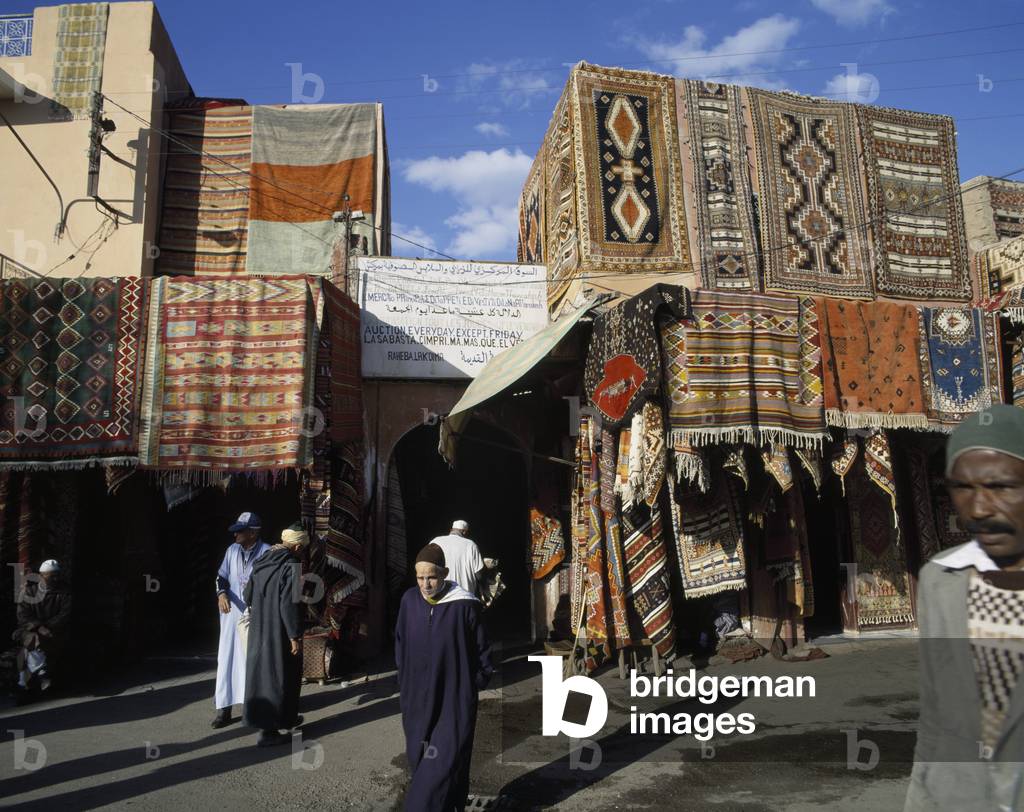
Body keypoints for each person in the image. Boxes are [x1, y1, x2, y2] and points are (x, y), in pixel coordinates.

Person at [905, 404, 1024, 811]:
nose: (978, 509)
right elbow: (935, 721)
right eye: (962, 488)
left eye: (1001, 487)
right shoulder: (940, 581)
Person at [395, 543, 493, 812]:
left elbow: (483, 649)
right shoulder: (409, 601)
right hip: (415, 699)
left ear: (445, 573)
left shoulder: (464, 605)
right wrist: (405, 680)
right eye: (420, 578)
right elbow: (400, 643)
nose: (426, 584)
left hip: (454, 698)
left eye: (432, 577)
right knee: (421, 759)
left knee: (441, 763)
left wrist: (473, 684)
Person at [243, 523, 308, 747]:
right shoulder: (292, 566)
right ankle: (268, 732)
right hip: (280, 632)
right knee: (282, 676)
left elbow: (247, 595)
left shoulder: (261, 561)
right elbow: (290, 605)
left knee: (263, 675)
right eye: (303, 548)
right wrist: (294, 635)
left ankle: (285, 718)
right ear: (297, 546)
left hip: (260, 630)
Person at [212, 511, 270, 729]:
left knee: (252, 662)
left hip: (255, 615)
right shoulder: (232, 550)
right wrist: (221, 594)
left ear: (253, 534)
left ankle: (252, 708)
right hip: (230, 616)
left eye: (240, 531)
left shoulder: (266, 552)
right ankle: (223, 709)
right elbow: (221, 577)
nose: (235, 535)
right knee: (226, 660)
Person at [13, 559, 71, 695]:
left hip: (53, 631)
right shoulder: (29, 592)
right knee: (32, 637)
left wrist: (47, 627)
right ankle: (42, 672)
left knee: (28, 647)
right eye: (51, 575)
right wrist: (39, 627)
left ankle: (23, 682)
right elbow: (23, 617)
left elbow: (65, 614)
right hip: (28, 630)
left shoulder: (64, 593)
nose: (55, 578)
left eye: (57, 575)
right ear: (41, 576)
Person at [428, 519, 485, 596]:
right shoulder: (471, 545)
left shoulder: (435, 541)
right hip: (464, 596)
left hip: (440, 596)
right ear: (464, 532)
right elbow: (479, 575)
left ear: (451, 530)